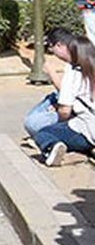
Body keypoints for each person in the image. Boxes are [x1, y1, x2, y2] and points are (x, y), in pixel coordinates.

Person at [31, 35, 95, 166]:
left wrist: (61, 123)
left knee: (43, 133)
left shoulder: (73, 74)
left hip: (88, 130)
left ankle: (53, 147)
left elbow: (65, 111)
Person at [24, 27, 85, 139]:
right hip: (74, 105)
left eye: (51, 47)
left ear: (59, 45)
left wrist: (51, 72)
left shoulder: (75, 65)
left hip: (80, 114)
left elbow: (66, 106)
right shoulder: (76, 60)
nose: (51, 51)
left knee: (33, 123)